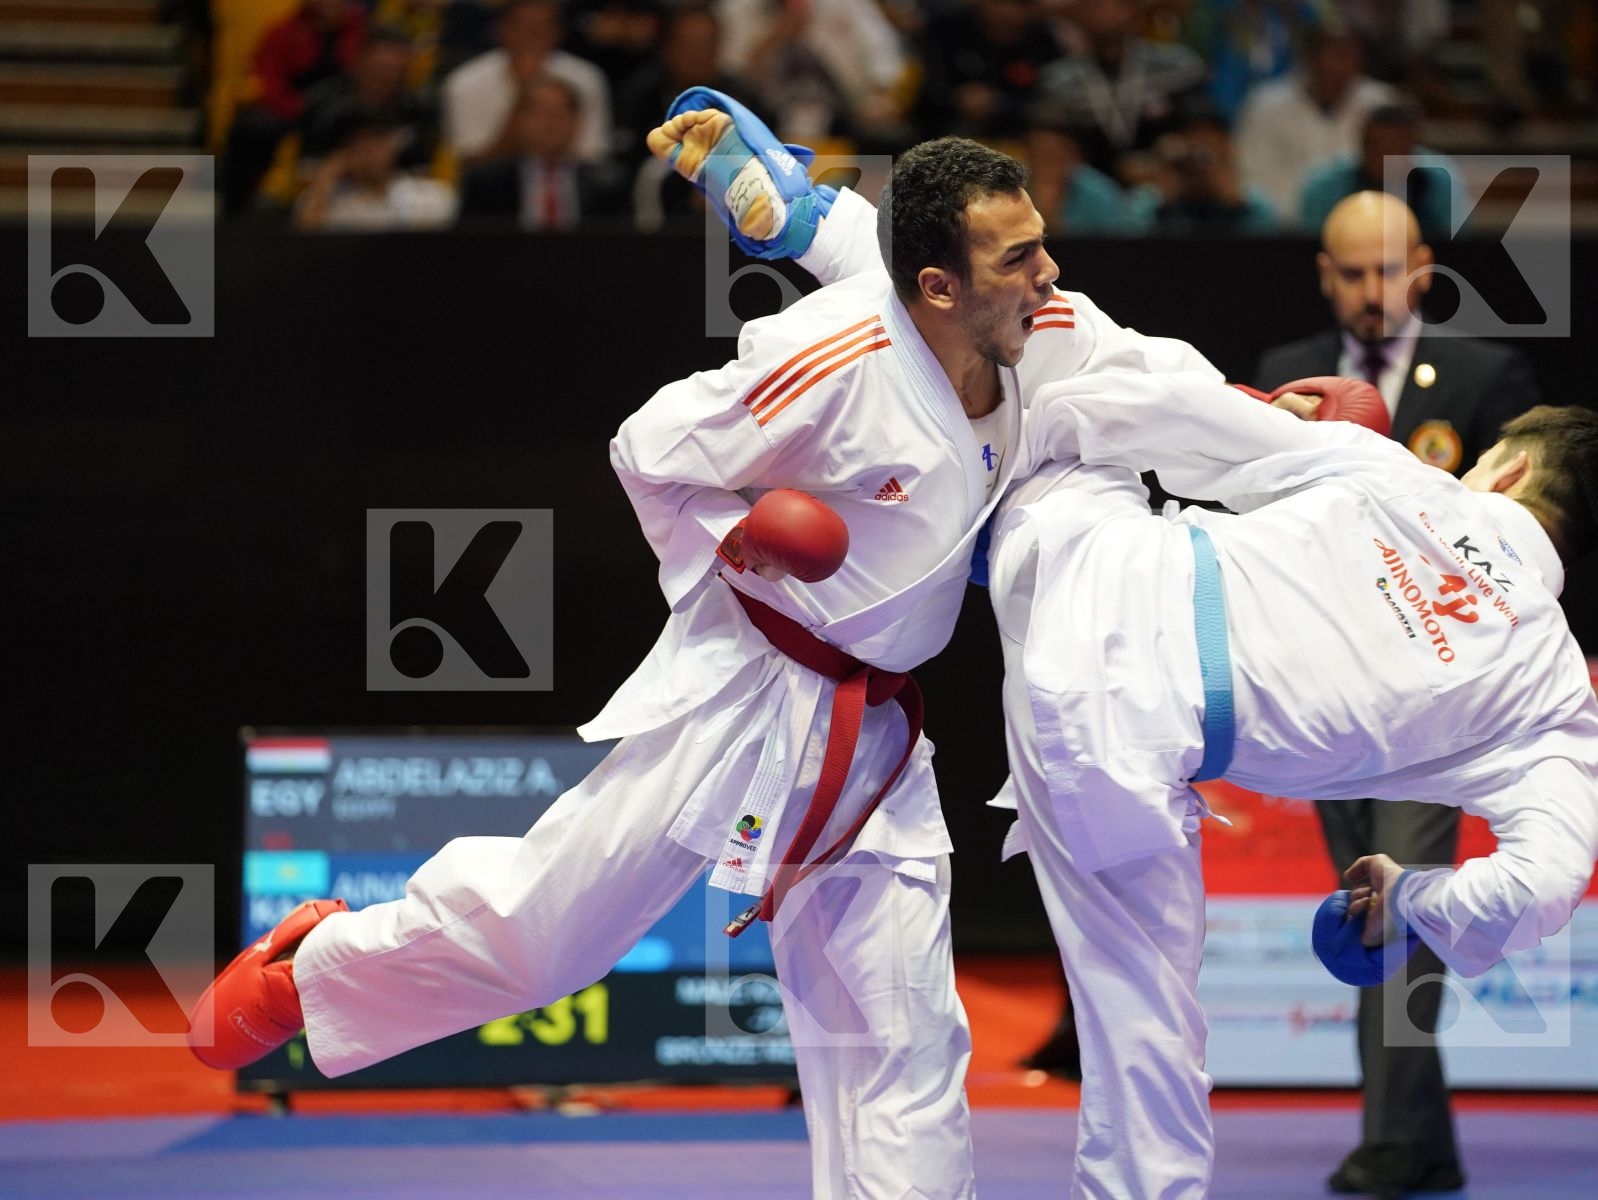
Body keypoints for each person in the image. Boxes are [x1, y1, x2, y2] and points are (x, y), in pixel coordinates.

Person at [988, 378, 1598, 1199]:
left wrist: (1255, 409)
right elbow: (1542, 890)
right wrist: (1411, 899)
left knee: (1072, 381)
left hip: (1079, 556)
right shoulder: (1552, 698)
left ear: (1510, 470)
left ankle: (916, 449)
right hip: (1112, 750)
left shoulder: (1396, 473)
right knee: (1146, 1038)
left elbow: (1179, 421)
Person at [1254, 190, 1543, 1197]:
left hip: (1436, 701)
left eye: (1388, 270)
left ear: (1422, 269)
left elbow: (1521, 543)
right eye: (1352, 273)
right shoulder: (1283, 377)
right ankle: (1423, 1141)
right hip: (1329, 698)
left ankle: (1392, 1140)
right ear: (1324, 277)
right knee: (1368, 907)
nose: (1372, 292)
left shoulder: (1483, 377)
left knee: (1392, 903)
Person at [1235, 24, 1399, 222]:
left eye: (1348, 53)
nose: (1341, 63)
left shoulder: (1382, 103)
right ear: (1310, 57)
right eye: (1334, 53)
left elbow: (1398, 174)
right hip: (1286, 227)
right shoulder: (1265, 105)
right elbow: (1252, 177)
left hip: (1367, 225)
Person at [442, 0, 612, 171]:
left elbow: (592, 157)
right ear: (500, 30)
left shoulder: (587, 79)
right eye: (523, 27)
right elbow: (471, 165)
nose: (532, 36)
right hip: (492, 185)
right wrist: (524, 97)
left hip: (567, 182)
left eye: (543, 28)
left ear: (559, 33)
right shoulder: (464, 84)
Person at [456, 76, 629, 229]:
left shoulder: (608, 184)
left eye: (559, 113)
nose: (549, 124)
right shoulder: (486, 183)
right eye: (539, 113)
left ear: (577, 122)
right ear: (519, 121)